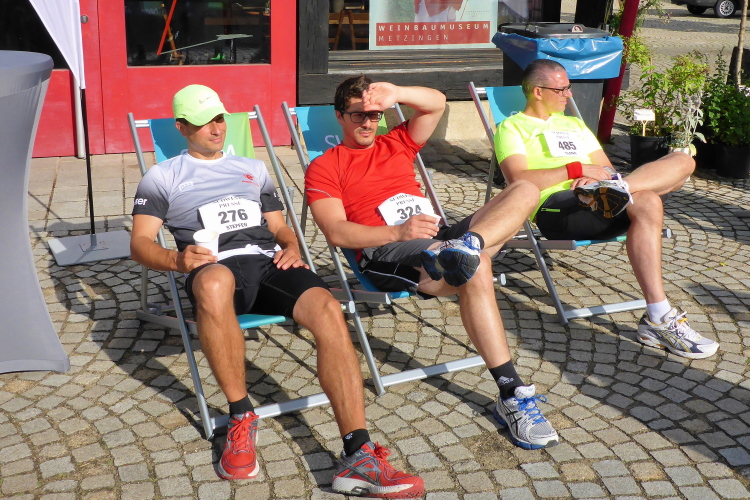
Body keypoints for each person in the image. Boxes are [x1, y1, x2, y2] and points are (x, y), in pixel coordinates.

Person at [130, 84, 424, 498]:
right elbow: (140, 244)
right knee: (214, 281)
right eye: (203, 123)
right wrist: (177, 261)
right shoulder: (162, 177)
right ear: (181, 127)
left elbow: (279, 226)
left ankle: (358, 453)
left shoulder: (253, 168)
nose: (216, 129)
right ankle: (240, 417)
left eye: (220, 119)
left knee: (327, 307)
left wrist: (291, 245)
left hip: (269, 263)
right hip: (213, 266)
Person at [305, 75, 560, 450]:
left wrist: (397, 93)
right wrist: (397, 232)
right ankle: (511, 393)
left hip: (440, 239)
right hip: (388, 250)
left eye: (375, 115)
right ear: (340, 116)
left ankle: (468, 246)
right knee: (478, 267)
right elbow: (336, 232)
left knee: (524, 188)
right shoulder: (326, 166)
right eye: (358, 115)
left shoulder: (396, 141)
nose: (368, 123)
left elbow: (437, 102)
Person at [495, 59, 720, 360]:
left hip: (601, 197)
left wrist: (600, 179)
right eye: (562, 90)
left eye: (569, 88)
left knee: (683, 162)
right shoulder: (512, 127)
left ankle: (657, 315)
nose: (569, 95)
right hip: (558, 208)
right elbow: (518, 180)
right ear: (538, 91)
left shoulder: (573, 125)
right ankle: (659, 317)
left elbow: (606, 168)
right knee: (649, 199)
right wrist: (576, 169)